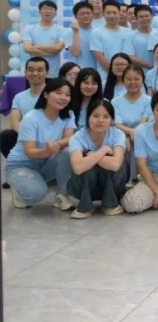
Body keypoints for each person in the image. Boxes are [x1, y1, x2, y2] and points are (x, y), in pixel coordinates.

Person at [5, 78, 76, 210]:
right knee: (37, 194)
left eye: (67, 94)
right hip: (22, 164)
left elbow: (69, 138)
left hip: (45, 162)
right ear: (46, 94)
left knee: (67, 153)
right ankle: (18, 191)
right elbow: (29, 152)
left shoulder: (68, 114)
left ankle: (61, 195)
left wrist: (57, 144)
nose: (63, 98)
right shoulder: (31, 118)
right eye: (58, 93)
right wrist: (46, 151)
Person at [66, 99, 127, 218]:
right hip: (82, 187)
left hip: (113, 183)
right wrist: (103, 151)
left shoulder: (118, 134)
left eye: (106, 116)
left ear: (112, 120)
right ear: (88, 117)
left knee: (117, 163)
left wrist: (89, 155)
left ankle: (110, 203)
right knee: (89, 167)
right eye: (95, 116)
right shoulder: (77, 137)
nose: (100, 120)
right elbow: (78, 168)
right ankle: (85, 206)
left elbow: (116, 165)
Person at [0, 57, 48, 158]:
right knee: (6, 136)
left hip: (50, 136)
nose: (35, 73)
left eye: (39, 70)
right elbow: (15, 123)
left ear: (47, 72)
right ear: (25, 72)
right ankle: (17, 163)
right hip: (26, 136)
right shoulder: (19, 97)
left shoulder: (54, 94)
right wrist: (30, 137)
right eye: (31, 70)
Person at [111, 65, 151, 182]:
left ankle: (135, 179)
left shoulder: (149, 100)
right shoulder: (115, 101)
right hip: (120, 136)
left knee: (136, 142)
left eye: (136, 79)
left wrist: (131, 135)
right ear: (123, 80)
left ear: (142, 80)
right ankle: (122, 180)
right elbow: (116, 124)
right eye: (129, 79)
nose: (133, 82)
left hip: (142, 135)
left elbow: (144, 121)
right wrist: (128, 135)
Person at [22, 0, 71, 77]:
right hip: (34, 73)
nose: (48, 11)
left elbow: (58, 47)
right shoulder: (29, 29)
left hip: (53, 73)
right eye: (45, 9)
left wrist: (36, 46)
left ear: (55, 13)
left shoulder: (61, 30)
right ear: (39, 12)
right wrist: (51, 52)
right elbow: (27, 48)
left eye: (51, 9)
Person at [91, 0, 133, 82]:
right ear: (103, 14)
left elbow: (131, 56)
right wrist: (114, 74)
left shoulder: (128, 32)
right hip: (105, 78)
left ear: (119, 13)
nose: (111, 16)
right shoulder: (96, 32)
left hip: (127, 78)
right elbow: (99, 57)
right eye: (108, 13)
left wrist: (124, 74)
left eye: (114, 12)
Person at [69, 1, 97, 69]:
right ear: (75, 16)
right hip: (78, 71)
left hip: (96, 70)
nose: (86, 16)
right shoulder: (70, 32)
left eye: (88, 13)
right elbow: (75, 53)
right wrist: (76, 32)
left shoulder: (98, 32)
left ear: (93, 15)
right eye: (82, 14)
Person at [127, 4, 154, 70]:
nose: (144, 19)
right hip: (140, 73)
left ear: (152, 17)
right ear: (136, 19)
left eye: (147, 16)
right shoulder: (130, 36)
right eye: (141, 17)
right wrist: (152, 66)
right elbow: (130, 57)